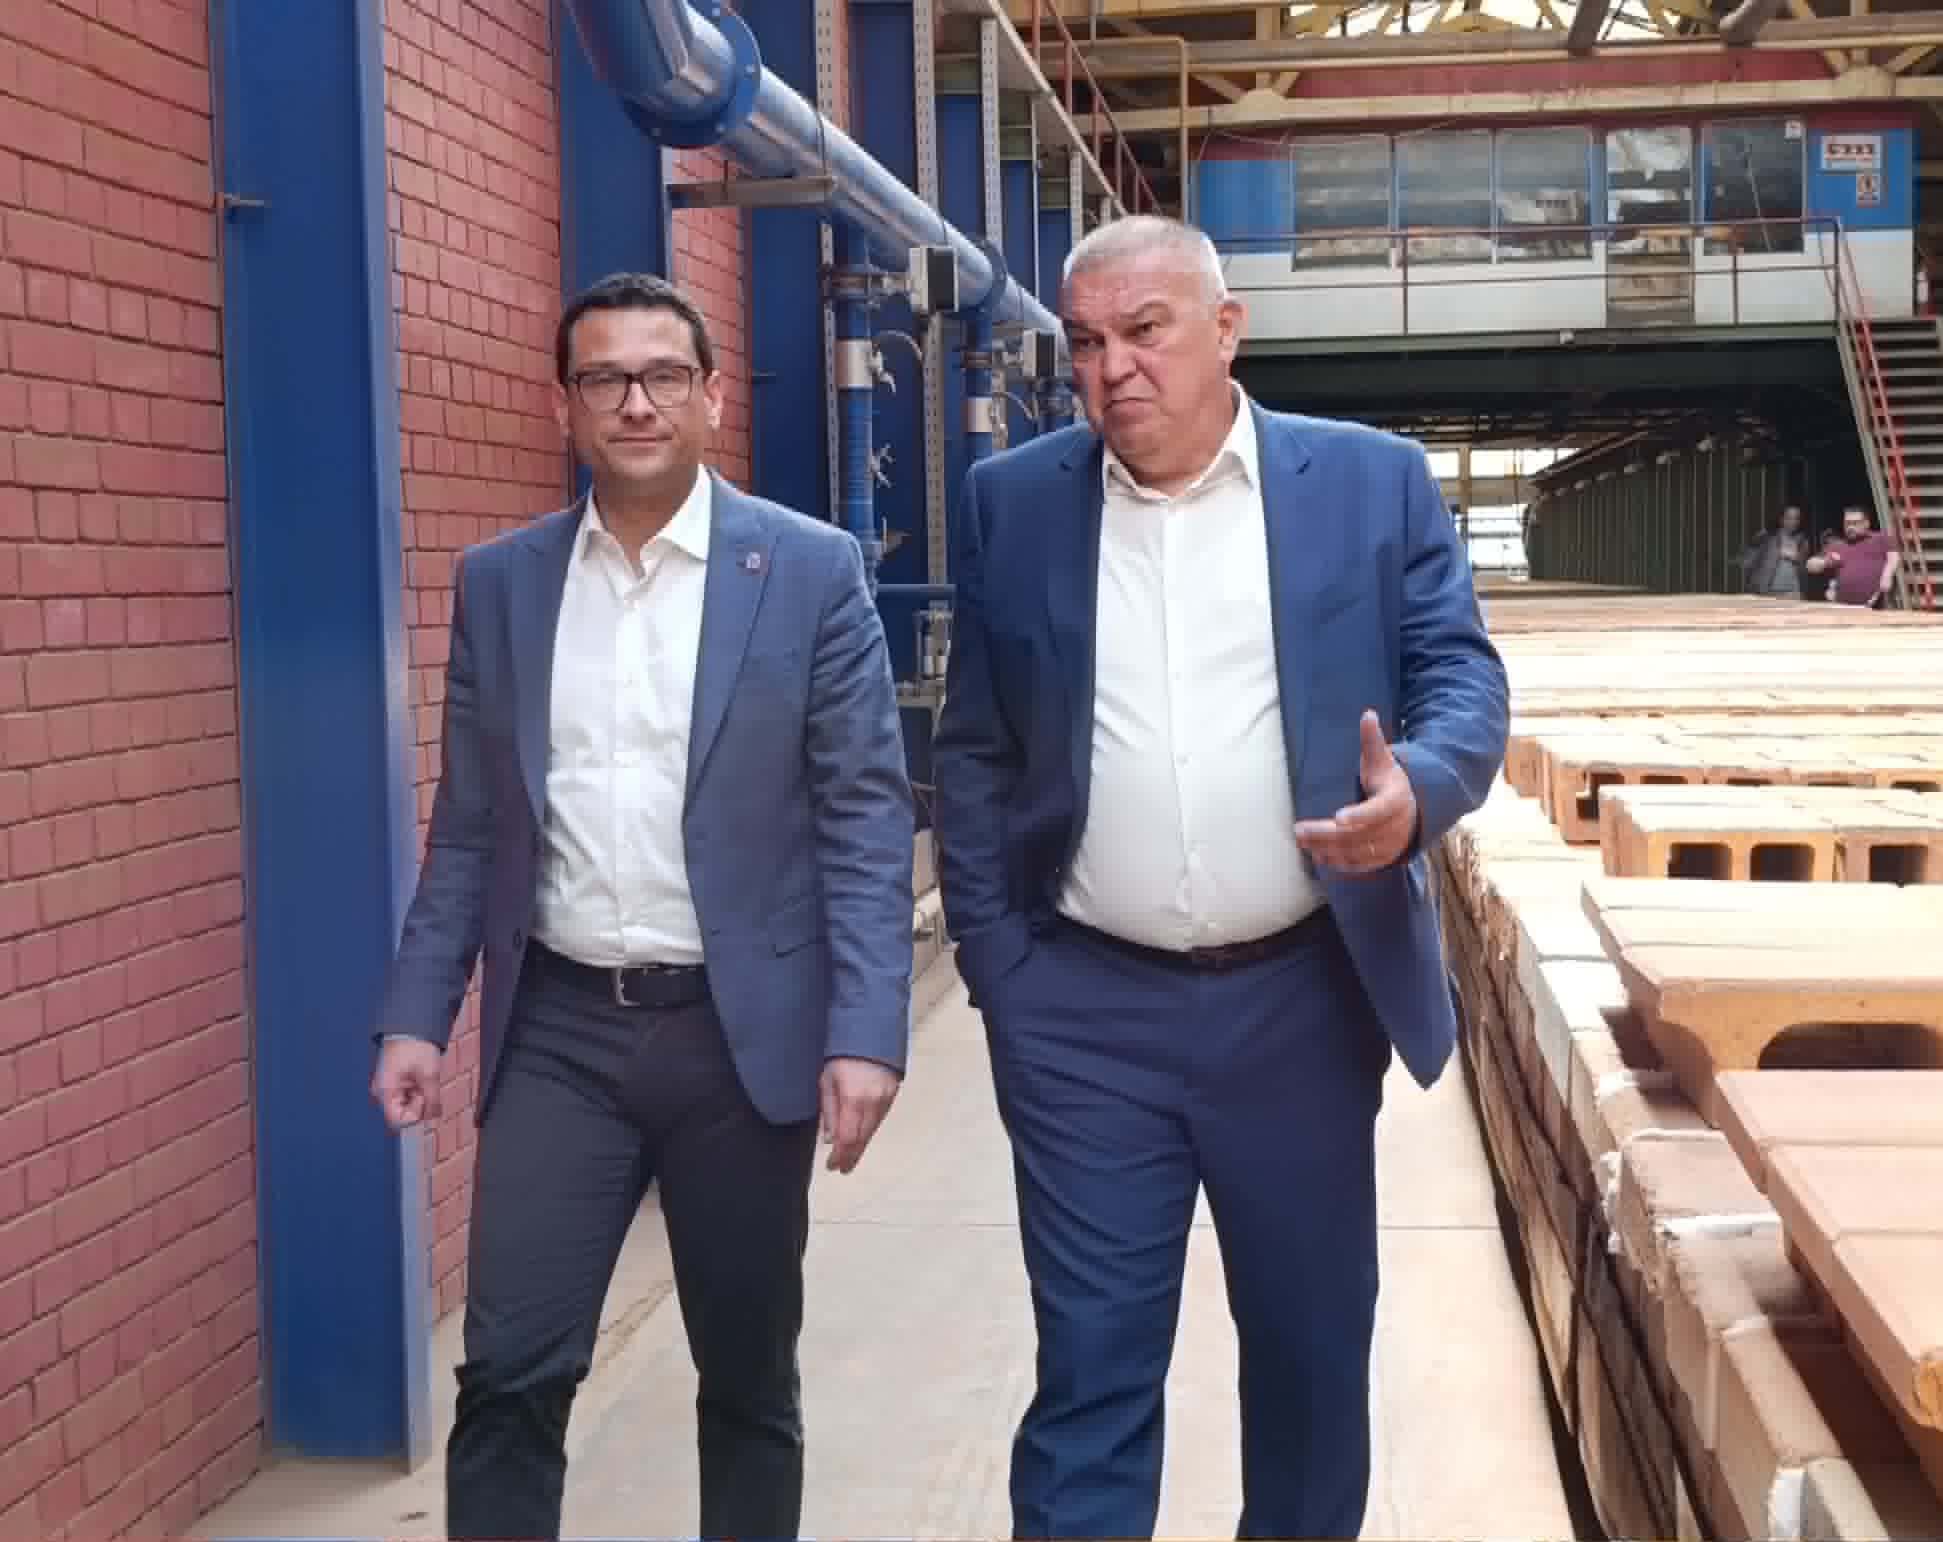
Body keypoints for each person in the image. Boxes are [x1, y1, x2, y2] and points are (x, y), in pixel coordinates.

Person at [931, 215, 1510, 1539]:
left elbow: (1460, 675)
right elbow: (976, 745)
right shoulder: (1013, 503)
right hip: (1080, 1012)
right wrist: (999, 965)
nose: (1112, 368)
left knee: (1309, 1361)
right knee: (1089, 1369)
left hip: (1298, 1001)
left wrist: (1419, 787)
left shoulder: (1368, 484)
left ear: (1226, 327)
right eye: (1085, 342)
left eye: (1145, 330)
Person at [369, 271, 915, 1541]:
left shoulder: (810, 571)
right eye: (604, 377)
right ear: (562, 404)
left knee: (746, 1380)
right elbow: (470, 824)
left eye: (664, 375)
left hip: (739, 1037)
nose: (635, 402)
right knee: (509, 1373)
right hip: (559, 1035)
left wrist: (864, 1029)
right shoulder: (501, 583)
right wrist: (416, 1012)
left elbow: (862, 815)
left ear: (712, 396)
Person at [1806, 503, 1899, 607]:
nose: (1850, 527)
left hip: (1875, 605)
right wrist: (1822, 562)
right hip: (1843, 607)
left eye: (1855, 523)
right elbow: (1810, 565)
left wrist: (1887, 575)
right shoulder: (1837, 545)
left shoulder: (1881, 538)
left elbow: (1893, 557)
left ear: (1866, 523)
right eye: (1847, 523)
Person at [1740, 503, 1811, 597]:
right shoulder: (1767, 538)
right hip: (1769, 591)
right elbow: (1747, 561)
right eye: (1789, 518)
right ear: (1781, 519)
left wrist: (1796, 558)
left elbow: (1807, 567)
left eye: (1796, 518)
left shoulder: (1802, 541)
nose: (1793, 522)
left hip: (1793, 591)